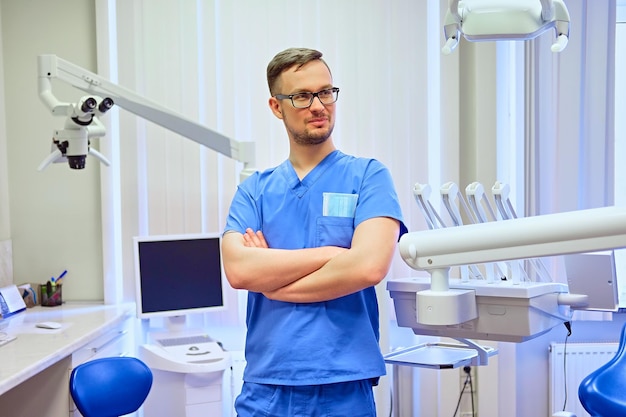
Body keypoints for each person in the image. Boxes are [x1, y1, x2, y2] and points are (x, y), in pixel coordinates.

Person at [221, 47, 407, 417]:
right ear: (277, 107)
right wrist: (333, 255)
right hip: (266, 388)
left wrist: (270, 278)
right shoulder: (255, 190)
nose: (319, 105)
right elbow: (240, 271)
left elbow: (368, 268)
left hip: (342, 386)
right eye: (302, 96)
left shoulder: (368, 176)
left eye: (325, 92)